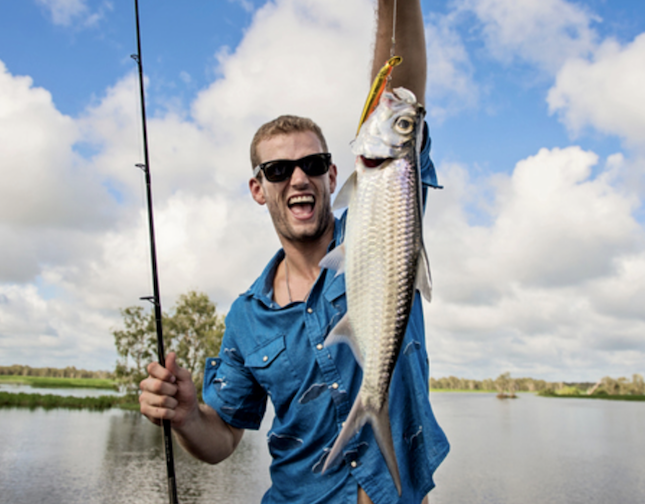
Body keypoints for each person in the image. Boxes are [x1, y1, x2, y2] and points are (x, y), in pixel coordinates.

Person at [139, 1, 448, 502]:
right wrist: (187, 416)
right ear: (258, 189)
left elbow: (399, 93)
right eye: (279, 170)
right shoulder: (246, 316)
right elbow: (222, 438)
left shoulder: (385, 224)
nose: (298, 177)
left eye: (313, 162)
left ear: (333, 174)